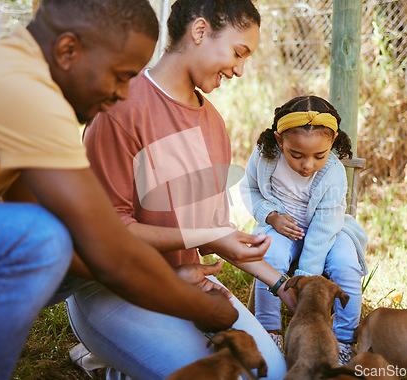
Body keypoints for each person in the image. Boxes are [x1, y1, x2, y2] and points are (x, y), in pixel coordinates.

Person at [0, 1, 241, 378]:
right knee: (48, 237)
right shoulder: (29, 93)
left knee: (46, 232)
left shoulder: (16, 66)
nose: (123, 94)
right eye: (120, 75)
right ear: (68, 50)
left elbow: (39, 223)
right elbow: (105, 248)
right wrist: (201, 308)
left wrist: (169, 280)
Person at [65, 0, 289, 379]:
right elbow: (107, 235)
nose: (240, 70)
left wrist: (283, 285)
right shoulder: (119, 109)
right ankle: (110, 361)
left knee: (272, 372)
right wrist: (210, 236)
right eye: (238, 53)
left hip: (187, 279)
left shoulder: (214, 124)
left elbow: (212, 232)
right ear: (199, 32)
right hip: (111, 288)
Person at [240, 95, 369, 365]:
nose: (307, 164)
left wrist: (305, 276)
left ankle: (344, 340)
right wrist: (271, 215)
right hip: (283, 227)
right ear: (279, 140)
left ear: (332, 142)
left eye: (318, 156)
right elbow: (249, 189)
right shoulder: (265, 158)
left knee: (347, 265)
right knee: (269, 255)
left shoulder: (332, 173)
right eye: (296, 155)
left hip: (330, 231)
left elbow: (324, 229)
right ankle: (269, 331)